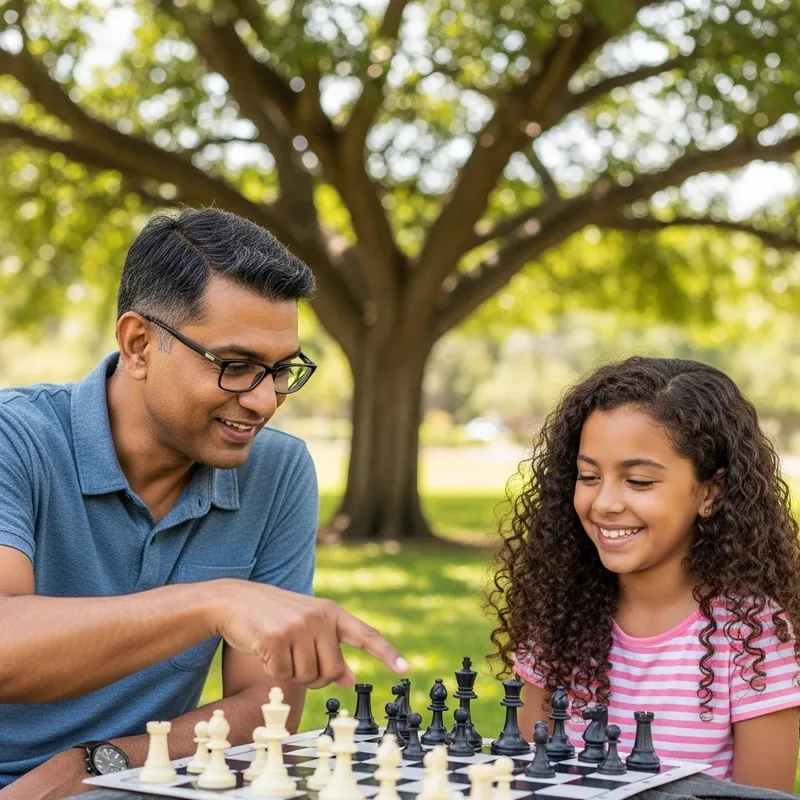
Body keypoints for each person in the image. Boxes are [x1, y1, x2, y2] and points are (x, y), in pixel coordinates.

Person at [0, 208, 407, 796]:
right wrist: (214, 601)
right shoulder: (16, 438)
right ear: (139, 344)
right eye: (236, 366)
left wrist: (96, 765)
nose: (265, 401)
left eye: (280, 370)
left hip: (137, 781)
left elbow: (266, 713)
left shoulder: (278, 471)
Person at [487, 357, 800, 792]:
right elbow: (525, 777)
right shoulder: (557, 618)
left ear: (711, 493)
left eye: (638, 481)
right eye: (589, 476)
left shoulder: (752, 635)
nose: (606, 503)